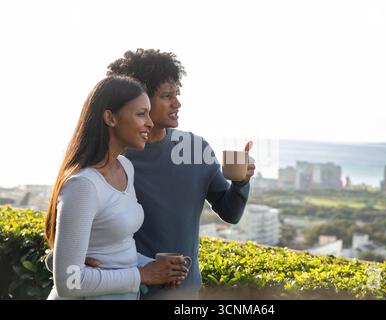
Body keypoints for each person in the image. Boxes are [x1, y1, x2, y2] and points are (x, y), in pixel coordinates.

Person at [105, 49, 256, 299]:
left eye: (177, 95)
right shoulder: (115, 157)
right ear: (137, 100)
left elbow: (230, 214)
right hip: (128, 293)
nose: (177, 104)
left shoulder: (195, 149)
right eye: (167, 96)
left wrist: (240, 182)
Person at [44, 75, 188, 300]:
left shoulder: (125, 167)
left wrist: (158, 268)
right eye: (141, 114)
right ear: (110, 118)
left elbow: (115, 250)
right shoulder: (84, 185)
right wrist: (143, 275)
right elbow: (68, 282)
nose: (150, 123)